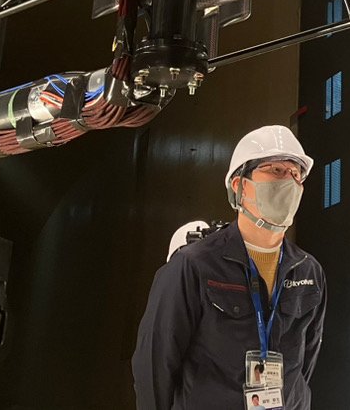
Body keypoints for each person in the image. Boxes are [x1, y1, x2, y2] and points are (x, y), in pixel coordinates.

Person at [133, 125, 327, 409]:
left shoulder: (309, 272)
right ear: (239, 185)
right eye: (275, 170)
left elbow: (305, 364)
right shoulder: (194, 266)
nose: (288, 181)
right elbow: (154, 365)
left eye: (295, 174)